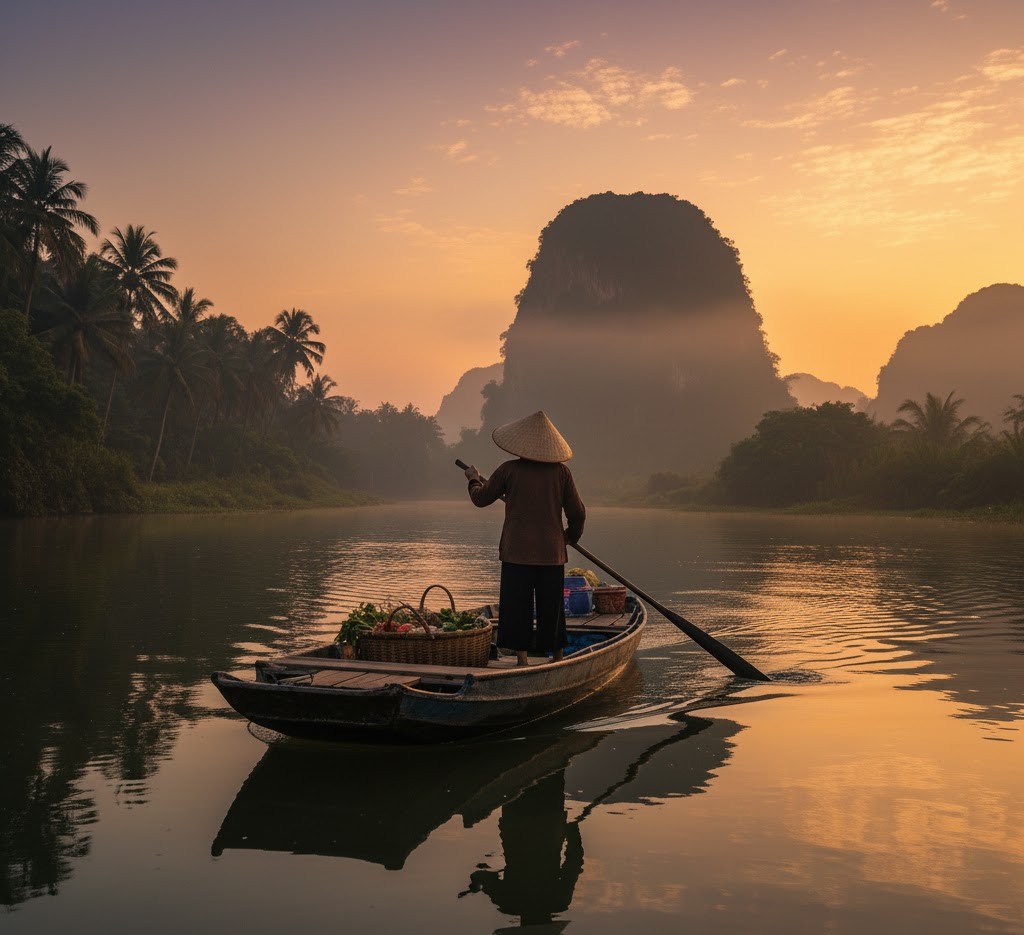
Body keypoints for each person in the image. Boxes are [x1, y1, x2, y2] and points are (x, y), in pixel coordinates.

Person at [463, 410, 585, 666]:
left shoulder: (509, 470)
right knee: (552, 609)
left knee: (517, 606)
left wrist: (473, 480)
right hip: (551, 553)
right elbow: (578, 513)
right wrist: (568, 538)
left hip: (516, 552)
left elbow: (481, 498)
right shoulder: (561, 473)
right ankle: (558, 659)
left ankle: (522, 661)